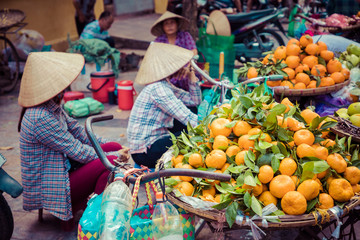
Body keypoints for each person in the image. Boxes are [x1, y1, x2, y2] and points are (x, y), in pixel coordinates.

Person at [17, 52, 129, 227]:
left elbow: (80, 133)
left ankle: (86, 207)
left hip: (66, 168)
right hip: (56, 183)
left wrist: (113, 146)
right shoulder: (39, 117)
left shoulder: (52, 107)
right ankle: (92, 215)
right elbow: (77, 150)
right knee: (111, 163)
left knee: (112, 148)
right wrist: (115, 155)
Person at [127, 43, 202, 168]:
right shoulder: (158, 89)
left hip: (155, 140)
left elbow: (194, 101)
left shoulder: (164, 85)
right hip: (145, 152)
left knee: (192, 110)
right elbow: (186, 117)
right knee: (193, 136)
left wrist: (191, 75)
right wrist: (210, 129)